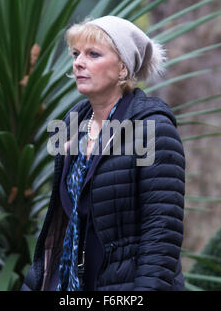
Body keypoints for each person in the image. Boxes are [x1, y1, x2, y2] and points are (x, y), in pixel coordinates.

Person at [21, 15, 186, 291]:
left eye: (93, 54)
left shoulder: (153, 128)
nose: (78, 62)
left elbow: (161, 232)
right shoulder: (72, 127)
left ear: (123, 68)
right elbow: (63, 222)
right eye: (76, 54)